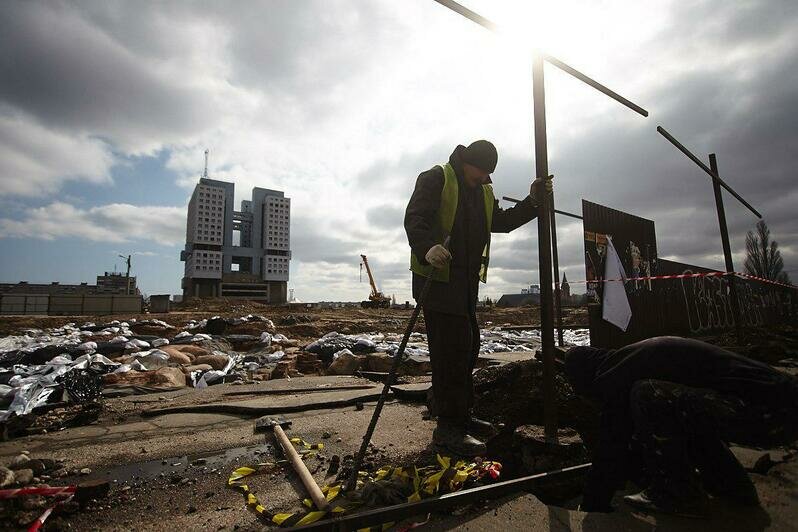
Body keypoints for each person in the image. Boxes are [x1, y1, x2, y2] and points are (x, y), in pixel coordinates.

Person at [404, 140, 550, 456]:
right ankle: (448, 429)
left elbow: (502, 222)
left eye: (488, 174)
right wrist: (427, 246)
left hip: (466, 285)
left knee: (468, 349)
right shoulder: (437, 177)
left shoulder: (482, 190)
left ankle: (461, 417)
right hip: (438, 281)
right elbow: (415, 218)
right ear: (467, 161)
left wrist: (532, 201)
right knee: (450, 354)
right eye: (481, 171)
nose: (485, 178)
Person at [564, 336, 798, 516]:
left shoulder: (614, 376)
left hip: (767, 411)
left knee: (648, 395)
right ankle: (732, 486)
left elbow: (612, 442)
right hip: (780, 408)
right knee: (681, 410)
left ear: (587, 380)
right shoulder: (634, 359)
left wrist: (592, 505)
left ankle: (677, 495)